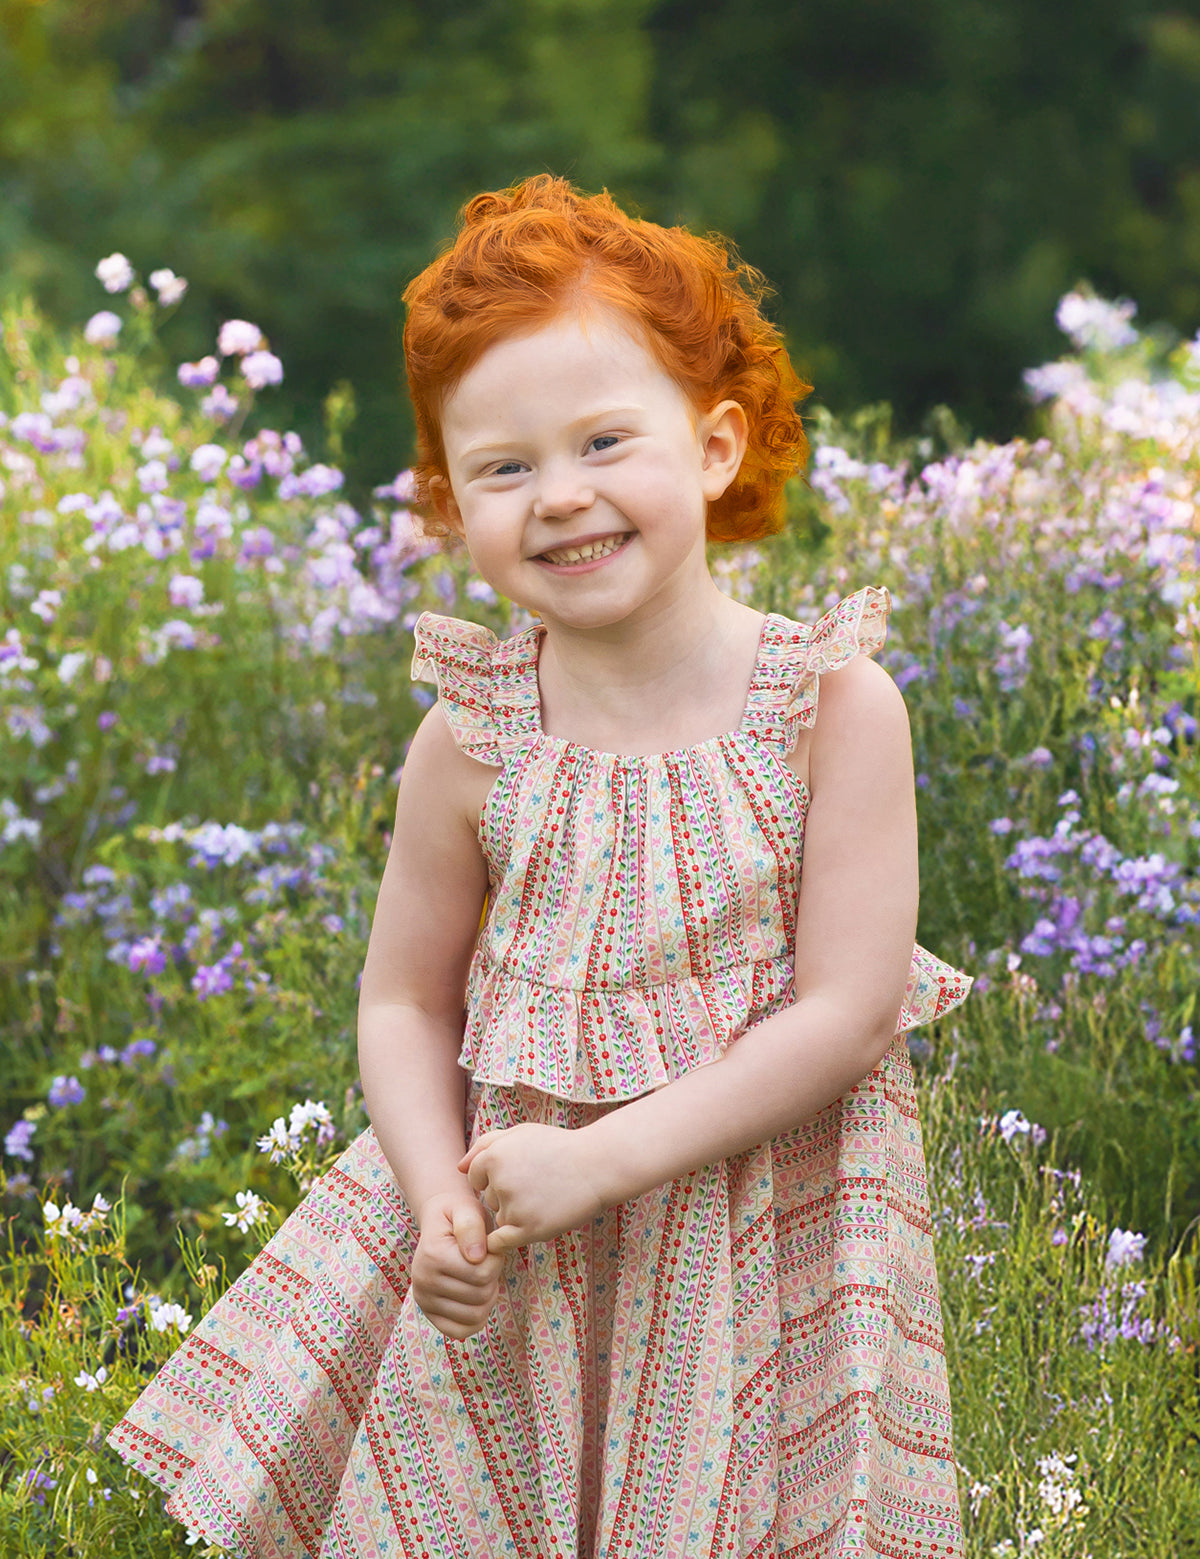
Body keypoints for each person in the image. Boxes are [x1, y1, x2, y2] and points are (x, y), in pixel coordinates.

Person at [107, 174, 972, 1557]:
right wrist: (437, 1187)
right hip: (516, 1254)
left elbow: (850, 1011)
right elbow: (403, 1001)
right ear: (453, 506)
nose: (560, 498)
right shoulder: (472, 736)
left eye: (604, 442)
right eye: (504, 469)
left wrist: (605, 1159)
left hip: (747, 1229)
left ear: (712, 444)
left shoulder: (832, 706)